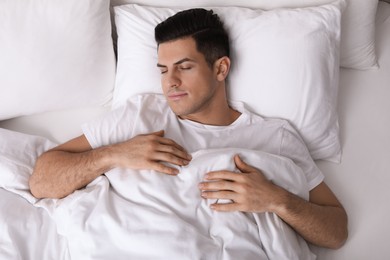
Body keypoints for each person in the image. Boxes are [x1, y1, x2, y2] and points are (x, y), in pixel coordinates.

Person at [30, 8, 347, 250]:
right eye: (164, 70)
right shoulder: (140, 114)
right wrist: (114, 154)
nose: (170, 82)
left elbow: (336, 231)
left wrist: (276, 200)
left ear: (220, 68)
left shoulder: (274, 137)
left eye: (184, 67)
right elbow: (42, 181)